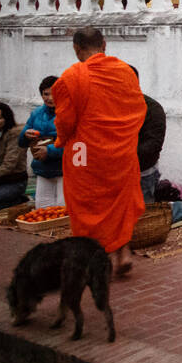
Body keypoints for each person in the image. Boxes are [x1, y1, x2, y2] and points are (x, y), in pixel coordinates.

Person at [52, 27, 145, 277]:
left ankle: (97, 258)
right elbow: (139, 109)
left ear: (76, 49)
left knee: (87, 203)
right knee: (120, 201)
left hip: (84, 152)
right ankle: (123, 252)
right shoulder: (125, 71)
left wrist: (60, 140)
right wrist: (124, 137)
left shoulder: (71, 77)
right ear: (104, 44)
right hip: (120, 151)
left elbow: (65, 121)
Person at [130, 67, 182, 224]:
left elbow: (151, 148)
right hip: (116, 172)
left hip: (142, 171)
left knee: (143, 222)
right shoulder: (108, 106)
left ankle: (178, 208)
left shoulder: (152, 109)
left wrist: (121, 155)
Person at [19, 76, 64, 207]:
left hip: (64, 170)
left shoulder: (70, 113)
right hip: (43, 168)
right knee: (43, 208)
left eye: (55, 93)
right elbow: (21, 142)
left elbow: (76, 143)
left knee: (63, 211)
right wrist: (25, 135)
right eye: (46, 94)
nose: (50, 98)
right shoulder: (36, 114)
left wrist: (49, 151)